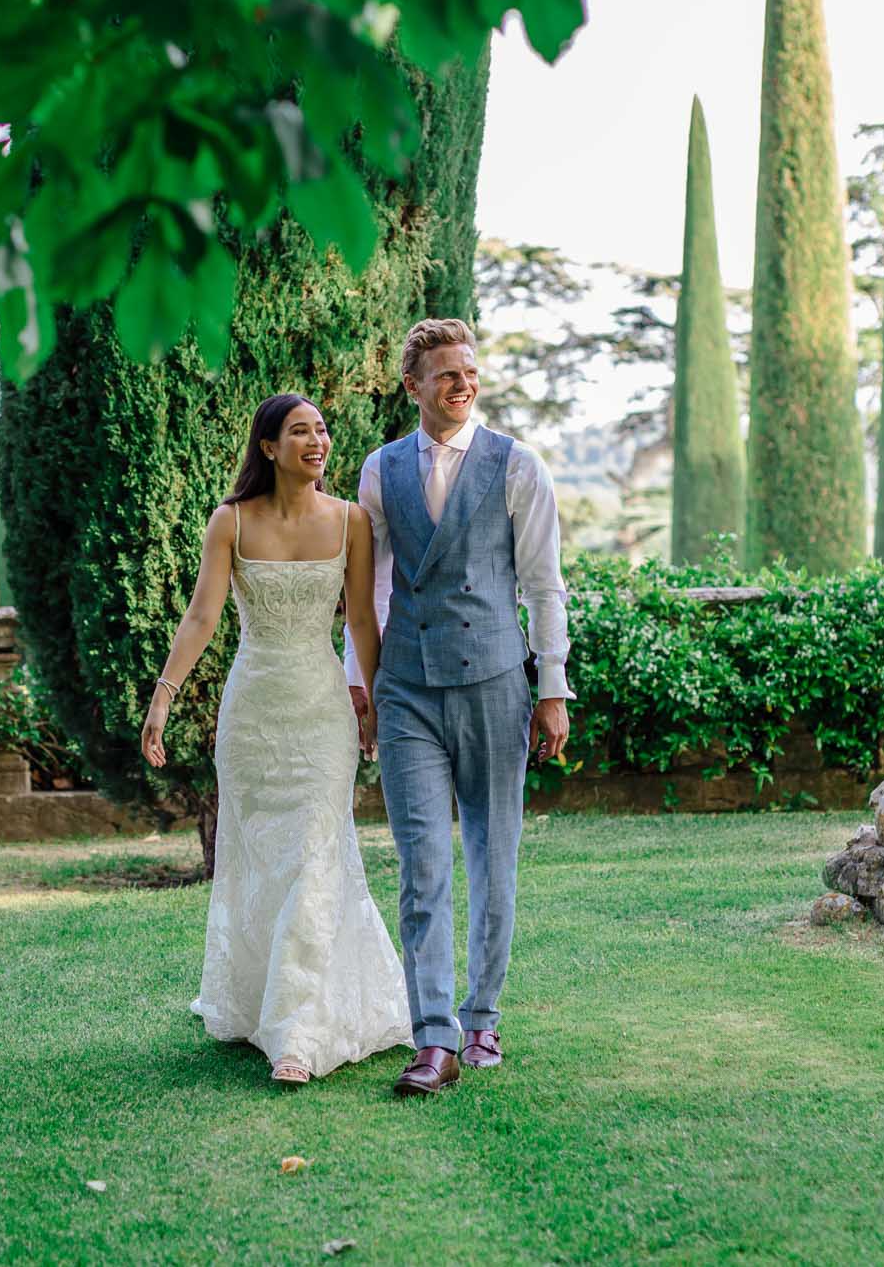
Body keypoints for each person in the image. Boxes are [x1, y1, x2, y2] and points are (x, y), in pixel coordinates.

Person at [143, 393, 410, 1086]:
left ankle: (299, 1028)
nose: (317, 440)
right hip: (254, 714)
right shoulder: (229, 521)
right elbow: (202, 616)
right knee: (263, 859)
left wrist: (374, 702)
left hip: (321, 714)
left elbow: (358, 622)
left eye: (321, 429)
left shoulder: (351, 521)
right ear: (269, 447)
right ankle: (258, 1001)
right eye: (300, 431)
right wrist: (163, 696)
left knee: (318, 855)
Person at [344, 317, 573, 1098]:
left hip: (496, 681)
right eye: (446, 374)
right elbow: (369, 587)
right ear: (413, 387)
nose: (463, 383)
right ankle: (433, 1037)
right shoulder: (379, 470)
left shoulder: (517, 466)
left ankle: (482, 1016)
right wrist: (360, 680)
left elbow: (543, 585)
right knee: (422, 865)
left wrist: (552, 687)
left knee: (492, 856)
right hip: (406, 686)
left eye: (469, 371)